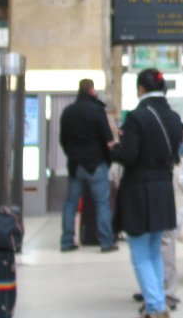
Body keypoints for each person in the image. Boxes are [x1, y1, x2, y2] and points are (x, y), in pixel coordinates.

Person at [111, 68, 183, 318]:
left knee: (141, 254)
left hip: (139, 190)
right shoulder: (174, 117)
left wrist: (113, 148)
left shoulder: (137, 117)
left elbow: (129, 155)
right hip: (163, 188)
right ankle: (158, 300)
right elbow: (175, 154)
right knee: (154, 251)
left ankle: (155, 306)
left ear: (140, 89)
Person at [59, 78, 117, 252]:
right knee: (102, 204)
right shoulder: (97, 111)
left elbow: (63, 140)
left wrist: (72, 156)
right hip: (97, 164)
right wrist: (107, 160)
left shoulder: (68, 112)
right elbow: (108, 138)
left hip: (75, 166)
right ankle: (106, 242)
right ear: (92, 90)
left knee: (70, 204)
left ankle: (67, 241)